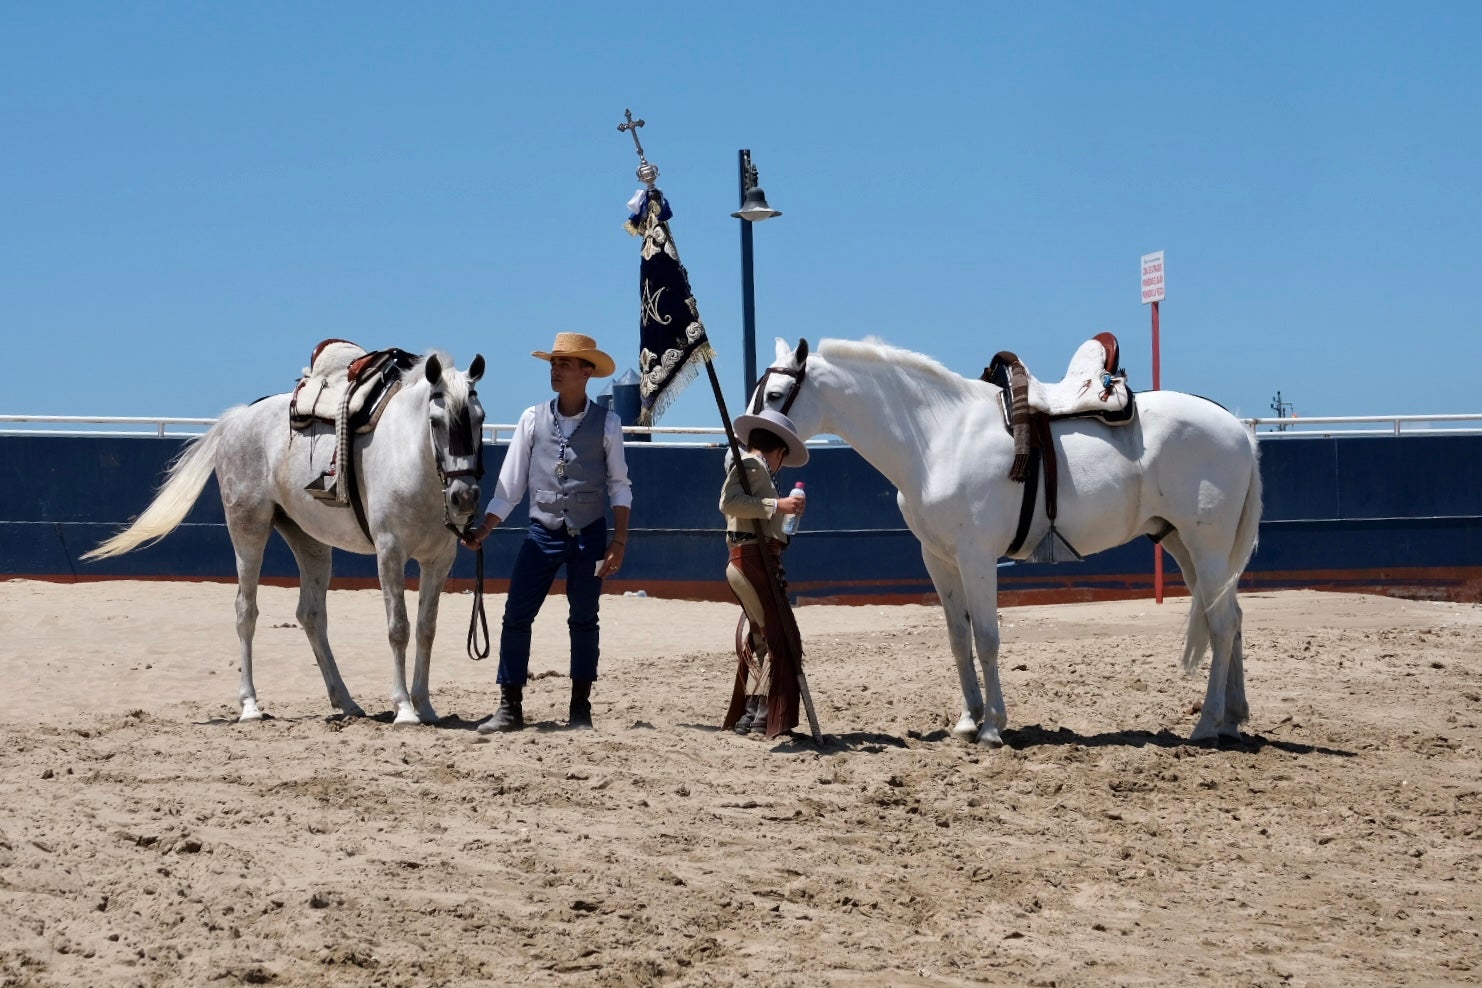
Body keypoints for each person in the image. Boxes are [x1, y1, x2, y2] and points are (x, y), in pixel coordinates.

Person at [461, 332, 632, 733]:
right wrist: (486, 527)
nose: (555, 370)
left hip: (589, 535)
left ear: (586, 372)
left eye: (565, 364)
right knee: (516, 615)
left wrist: (619, 540)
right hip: (542, 532)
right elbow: (511, 485)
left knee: (585, 619)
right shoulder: (531, 418)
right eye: (553, 363)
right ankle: (509, 706)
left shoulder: (608, 423)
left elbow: (620, 485)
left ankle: (580, 710)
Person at [718, 408, 808, 738]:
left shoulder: (754, 468)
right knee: (778, 636)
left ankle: (753, 712)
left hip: (749, 560)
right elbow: (728, 502)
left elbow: (770, 530)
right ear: (780, 452)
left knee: (761, 637)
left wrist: (783, 516)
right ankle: (766, 710)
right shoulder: (755, 465)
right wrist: (777, 506)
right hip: (750, 561)